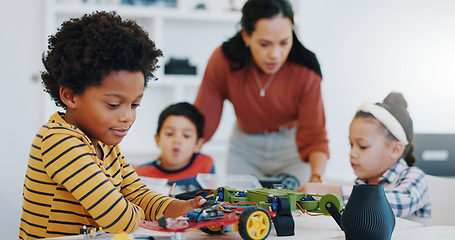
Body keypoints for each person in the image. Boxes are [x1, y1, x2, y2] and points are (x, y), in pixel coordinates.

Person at [19, 11, 206, 240]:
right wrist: (141, 211)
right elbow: (119, 219)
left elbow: (139, 195)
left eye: (135, 104)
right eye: (113, 104)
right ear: (70, 96)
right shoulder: (58, 141)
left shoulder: (106, 145)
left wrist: (181, 208)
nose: (127, 116)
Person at [194, 0, 329, 185]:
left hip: (292, 150)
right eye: (265, 44)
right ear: (246, 36)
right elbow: (203, 121)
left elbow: (315, 135)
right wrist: (181, 149)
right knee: (238, 208)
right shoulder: (224, 60)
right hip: (245, 149)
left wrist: (317, 178)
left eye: (284, 42)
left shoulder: (306, 70)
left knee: (294, 210)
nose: (275, 54)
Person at [297, 92, 431, 221]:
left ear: (395, 149)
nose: (352, 153)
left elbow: (398, 204)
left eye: (363, 146)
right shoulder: (361, 183)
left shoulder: (415, 177)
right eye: (351, 145)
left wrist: (333, 192)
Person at [135, 102, 215, 192]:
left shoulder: (205, 164)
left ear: (198, 145)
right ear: (157, 140)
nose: (177, 140)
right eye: (170, 134)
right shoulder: (141, 174)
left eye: (186, 135)